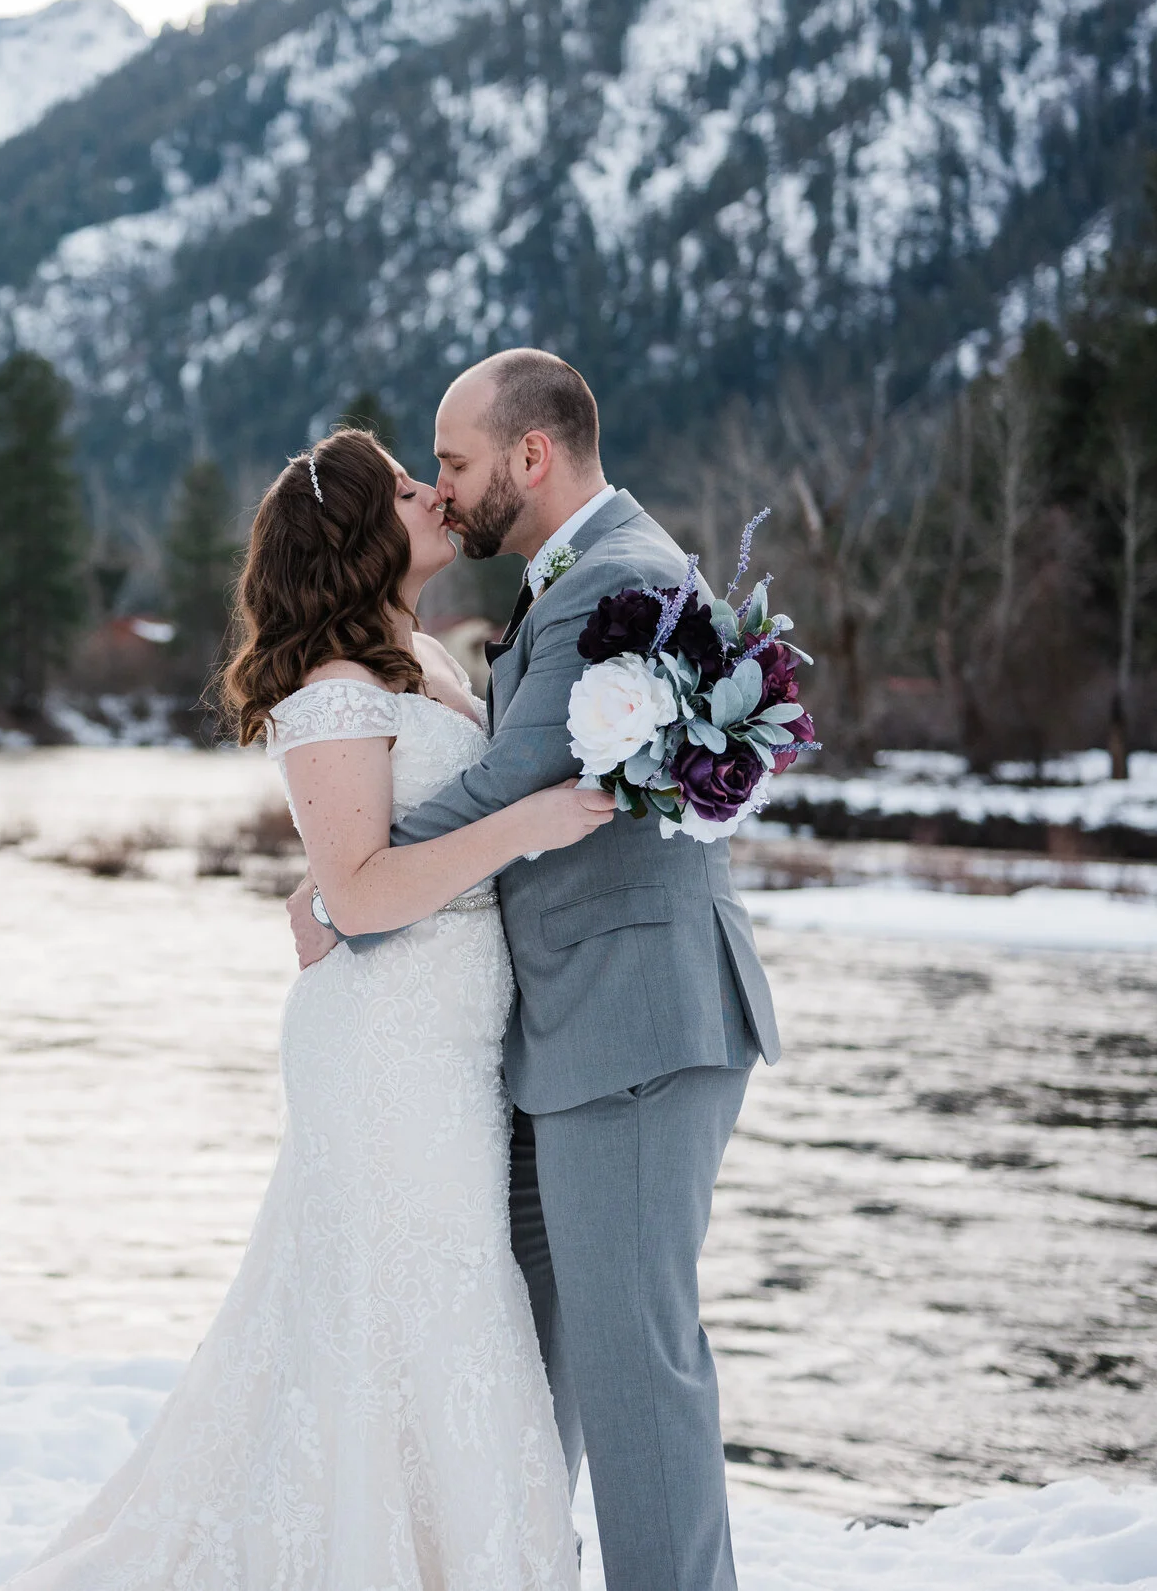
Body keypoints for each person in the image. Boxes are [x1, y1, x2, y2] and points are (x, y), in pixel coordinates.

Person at [2, 424, 612, 1591]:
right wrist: (526, 827)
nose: (432, 494)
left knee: (431, 1296)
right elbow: (363, 892)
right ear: (356, 535)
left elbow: (382, 844)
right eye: (404, 488)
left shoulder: (422, 660)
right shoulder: (333, 689)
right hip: (384, 1041)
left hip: (451, 1037)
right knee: (402, 1295)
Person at [290, 349, 780, 1591]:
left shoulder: (611, 577)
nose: (443, 490)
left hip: (630, 1021)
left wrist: (349, 887)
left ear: (531, 454)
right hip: (558, 1032)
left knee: (633, 1364)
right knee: (521, 1356)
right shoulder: (574, 578)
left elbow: (514, 780)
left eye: (453, 463)